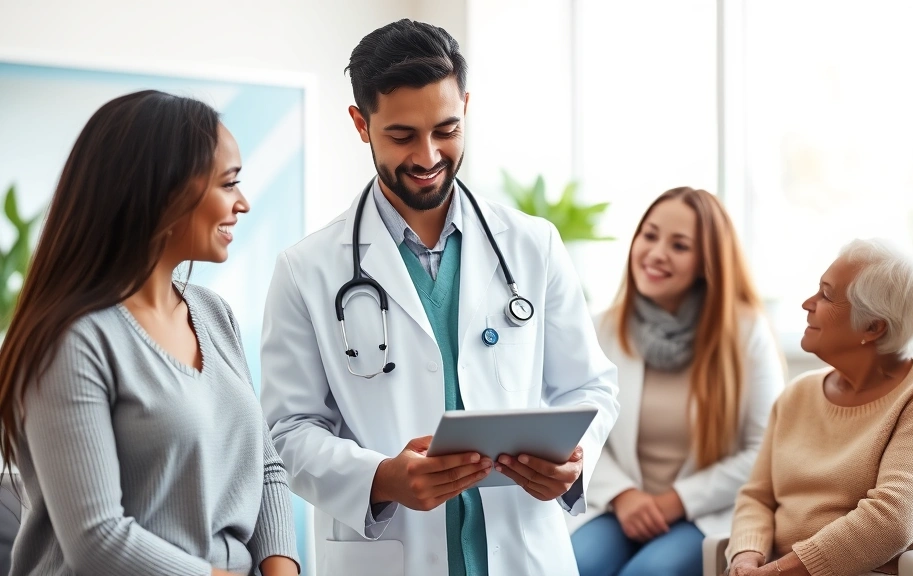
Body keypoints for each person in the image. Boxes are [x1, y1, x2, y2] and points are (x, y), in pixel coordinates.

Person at [259, 18, 619, 576]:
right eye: (402, 136)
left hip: (523, 549)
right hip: (392, 554)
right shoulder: (306, 270)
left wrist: (575, 461)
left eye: (446, 130)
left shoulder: (532, 246)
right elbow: (287, 430)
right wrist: (380, 478)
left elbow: (590, 385)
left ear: (466, 107)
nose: (428, 156)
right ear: (361, 124)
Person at [0, 91, 300, 576]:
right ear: (164, 192)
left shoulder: (214, 314)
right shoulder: (72, 342)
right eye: (228, 184)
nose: (243, 203)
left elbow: (265, 471)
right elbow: (98, 541)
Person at [726, 238, 913, 576]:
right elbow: (757, 497)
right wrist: (745, 557)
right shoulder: (797, 395)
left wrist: (777, 573)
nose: (807, 303)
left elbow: (892, 519)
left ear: (873, 326)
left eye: (826, 295)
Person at [569, 187, 785, 576]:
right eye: (649, 236)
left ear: (708, 262)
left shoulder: (747, 332)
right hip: (619, 506)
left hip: (706, 512)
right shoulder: (601, 328)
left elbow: (764, 451)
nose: (655, 253)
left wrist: (676, 501)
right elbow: (578, 429)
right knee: (575, 566)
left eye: (679, 245)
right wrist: (623, 495)